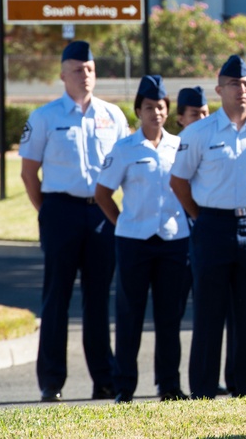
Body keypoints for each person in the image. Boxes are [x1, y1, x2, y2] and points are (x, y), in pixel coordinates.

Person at [19, 40, 130, 403]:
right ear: (62, 74)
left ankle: (105, 379)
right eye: (78, 69)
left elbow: (125, 168)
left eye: (90, 69)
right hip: (60, 211)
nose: (85, 75)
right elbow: (29, 174)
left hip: (101, 213)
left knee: (99, 300)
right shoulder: (45, 117)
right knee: (56, 298)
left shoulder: (113, 116)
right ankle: (51, 381)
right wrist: (48, 213)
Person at [170, 55, 246, 399]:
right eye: (233, 85)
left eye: (245, 84)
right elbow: (179, 181)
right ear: (219, 89)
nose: (240, 90)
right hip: (212, 225)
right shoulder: (199, 132)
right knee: (210, 315)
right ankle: (204, 392)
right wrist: (201, 216)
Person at [95, 75, 189, 403]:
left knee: (169, 316)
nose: (156, 113)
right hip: (134, 241)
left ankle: (170, 385)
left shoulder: (179, 146)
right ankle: (125, 386)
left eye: (161, 107)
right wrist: (122, 223)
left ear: (167, 110)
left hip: (173, 240)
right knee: (130, 315)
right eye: (149, 107)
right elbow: (102, 192)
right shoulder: (124, 149)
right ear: (138, 111)